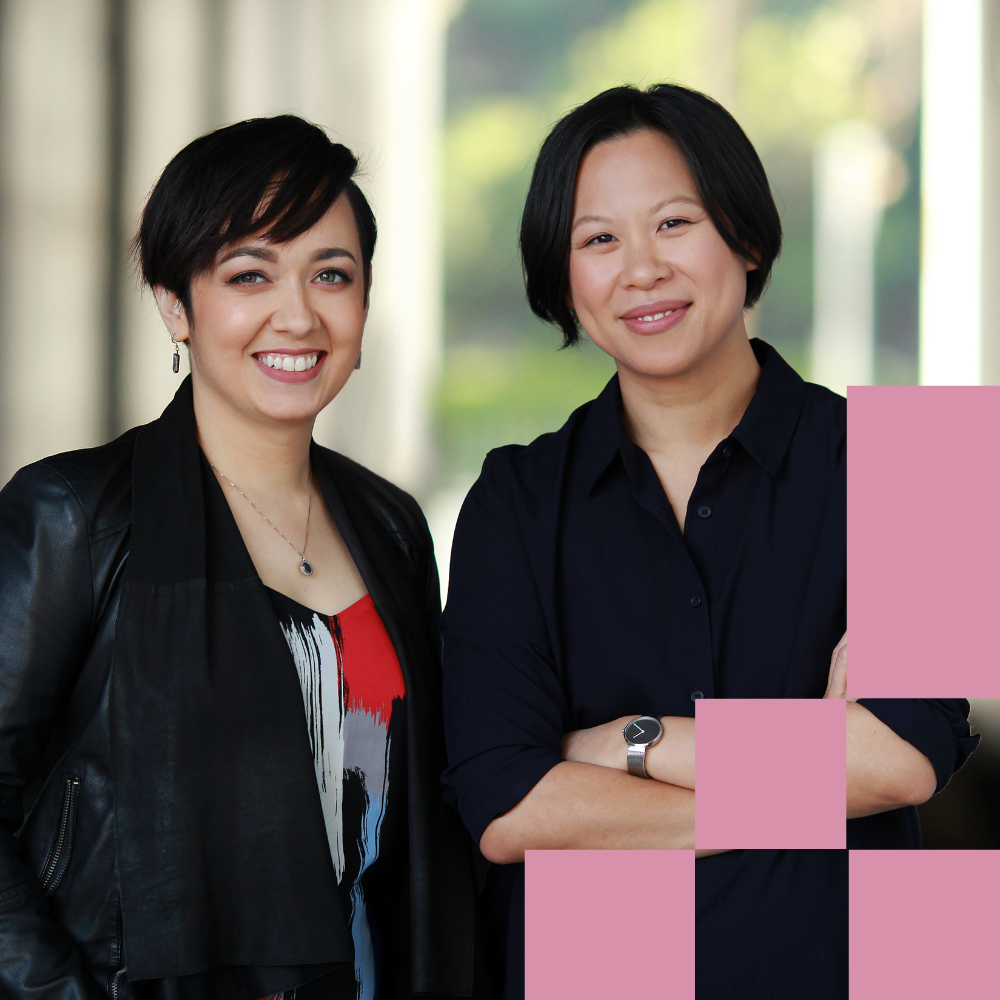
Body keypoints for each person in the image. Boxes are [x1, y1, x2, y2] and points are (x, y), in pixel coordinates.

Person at [439, 84, 978, 999]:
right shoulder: (512, 499)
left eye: (674, 223)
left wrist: (623, 744)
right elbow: (503, 806)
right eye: (598, 239)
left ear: (748, 236)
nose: (640, 269)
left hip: (883, 963)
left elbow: (904, 759)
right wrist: (814, 767)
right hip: (603, 971)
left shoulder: (924, 464)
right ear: (562, 278)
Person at [0, 116, 480, 1000]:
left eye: (330, 275)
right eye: (249, 274)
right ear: (175, 303)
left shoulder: (390, 525)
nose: (296, 314)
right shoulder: (73, 515)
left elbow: (435, 798)